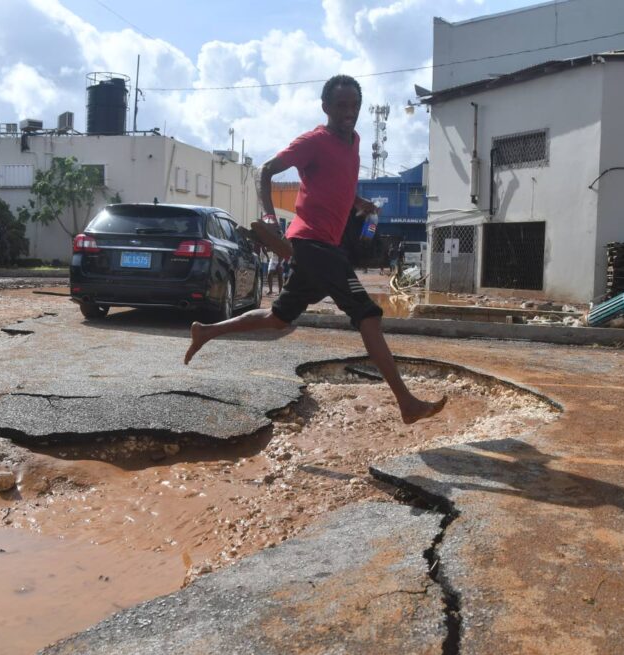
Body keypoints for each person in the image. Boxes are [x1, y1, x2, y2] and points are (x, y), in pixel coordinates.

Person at [184, 75, 446, 425]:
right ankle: (407, 403)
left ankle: (206, 331)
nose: (349, 112)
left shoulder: (354, 141)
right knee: (368, 315)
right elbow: (266, 171)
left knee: (278, 318)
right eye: (341, 105)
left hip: (323, 247)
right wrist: (269, 218)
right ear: (326, 107)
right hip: (313, 243)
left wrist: (358, 201)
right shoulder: (313, 141)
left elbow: (339, 182)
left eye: (354, 105)